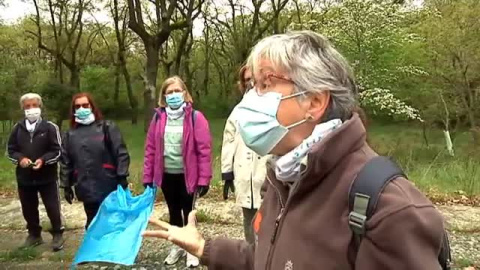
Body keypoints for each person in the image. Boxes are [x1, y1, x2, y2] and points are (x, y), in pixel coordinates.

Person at [143, 31, 447, 269]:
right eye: (251, 85)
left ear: (314, 101)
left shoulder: (388, 209)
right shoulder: (285, 177)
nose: (250, 99)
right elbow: (273, 260)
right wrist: (204, 248)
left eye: (265, 84)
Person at [143, 76, 212, 268]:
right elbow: (150, 149)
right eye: (169, 92)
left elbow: (204, 150)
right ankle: (176, 246)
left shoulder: (195, 118)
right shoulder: (158, 118)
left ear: (184, 92)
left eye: (177, 91)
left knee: (188, 212)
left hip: (188, 176)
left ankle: (192, 249)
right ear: (164, 96)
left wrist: (204, 178)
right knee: (173, 212)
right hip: (166, 175)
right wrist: (148, 176)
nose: (173, 95)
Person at [60, 93, 130, 229]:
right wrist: (66, 184)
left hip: (109, 183)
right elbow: (66, 161)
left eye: (85, 105)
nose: (81, 109)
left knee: (112, 221)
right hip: (85, 185)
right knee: (93, 222)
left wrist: (122, 175)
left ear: (92, 106)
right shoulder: (69, 135)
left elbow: (121, 152)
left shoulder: (107, 127)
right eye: (78, 106)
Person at [7, 93, 65, 251]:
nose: (31, 109)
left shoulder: (50, 127)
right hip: (25, 177)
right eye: (27, 107)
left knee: (52, 206)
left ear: (40, 107)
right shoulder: (17, 128)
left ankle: (58, 234)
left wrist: (43, 160)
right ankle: (34, 235)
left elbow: (58, 151)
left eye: (34, 105)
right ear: (23, 109)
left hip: (47, 177)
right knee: (28, 207)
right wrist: (20, 159)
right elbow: (11, 150)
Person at [221, 65, 269, 244]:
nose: (251, 83)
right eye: (247, 80)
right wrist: (227, 173)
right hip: (244, 175)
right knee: (248, 221)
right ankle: (250, 259)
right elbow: (229, 140)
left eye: (253, 78)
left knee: (267, 222)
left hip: (265, 175)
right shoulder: (238, 111)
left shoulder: (273, 106)